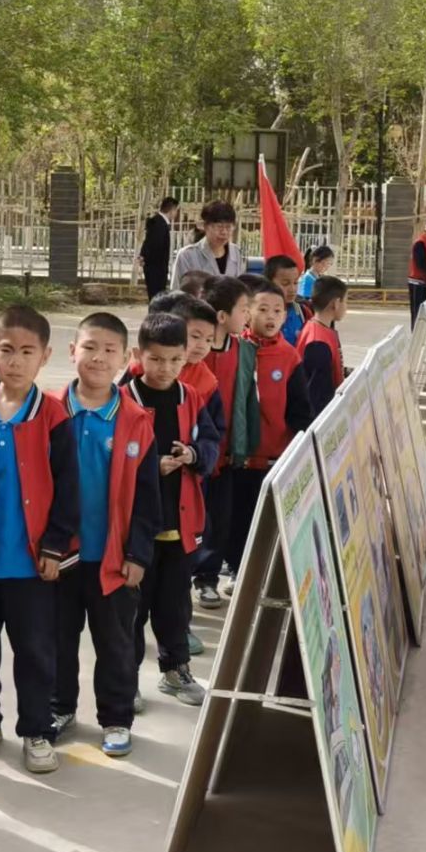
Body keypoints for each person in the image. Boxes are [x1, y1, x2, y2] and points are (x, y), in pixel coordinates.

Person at [0, 306, 79, 776]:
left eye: (27, 352)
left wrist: (54, 546)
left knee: (34, 653)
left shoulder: (52, 415)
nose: (16, 361)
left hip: (31, 565)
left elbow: (69, 488)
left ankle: (36, 730)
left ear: (45, 356)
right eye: (7, 350)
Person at [52, 314, 160, 757]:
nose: (98, 358)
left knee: (115, 644)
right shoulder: (50, 413)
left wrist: (138, 553)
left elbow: (149, 496)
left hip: (114, 559)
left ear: (125, 358)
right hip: (61, 557)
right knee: (57, 640)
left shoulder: (136, 420)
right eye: (89, 347)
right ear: (71, 351)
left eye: (109, 350)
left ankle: (116, 717)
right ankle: (59, 708)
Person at [127, 314, 219, 714]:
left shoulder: (191, 397)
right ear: (138, 355)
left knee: (175, 605)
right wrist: (152, 467)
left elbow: (211, 441)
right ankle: (125, 678)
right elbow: (111, 460)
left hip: (181, 525)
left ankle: (176, 669)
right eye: (156, 359)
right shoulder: (123, 399)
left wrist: (194, 455)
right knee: (132, 610)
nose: (165, 368)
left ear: (186, 358)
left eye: (174, 360)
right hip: (136, 530)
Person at [214, 278, 311, 598]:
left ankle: (262, 574)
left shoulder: (289, 357)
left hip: (272, 456)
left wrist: (300, 450)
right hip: (236, 455)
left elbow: (300, 411)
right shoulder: (234, 350)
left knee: (266, 520)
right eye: (263, 309)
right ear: (247, 313)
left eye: (278, 311)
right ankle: (236, 570)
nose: (271, 316)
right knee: (235, 517)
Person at [191, 277, 253, 610]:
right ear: (221, 316)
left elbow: (247, 402)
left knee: (220, 519)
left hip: (227, 453)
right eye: (244, 309)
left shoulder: (244, 351)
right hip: (195, 456)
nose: (248, 315)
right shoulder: (190, 356)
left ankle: (208, 578)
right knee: (192, 520)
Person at [295, 277, 348, 421]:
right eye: (345, 301)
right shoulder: (318, 343)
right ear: (335, 303)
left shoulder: (317, 328)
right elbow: (318, 398)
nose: (346, 307)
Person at [172, 201, 248, 285]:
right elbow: (177, 290)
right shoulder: (187, 256)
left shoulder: (236, 253)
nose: (224, 232)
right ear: (205, 226)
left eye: (228, 227)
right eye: (219, 226)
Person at [142, 197, 180, 299]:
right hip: (156, 269)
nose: (176, 213)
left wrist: (143, 255)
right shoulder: (159, 224)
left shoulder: (158, 222)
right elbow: (155, 246)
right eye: (176, 210)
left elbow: (148, 241)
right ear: (172, 210)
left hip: (155, 268)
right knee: (157, 298)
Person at [265, 254, 307, 344]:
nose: (292, 289)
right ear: (269, 283)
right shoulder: (259, 314)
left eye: (295, 282)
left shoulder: (303, 313)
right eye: (285, 283)